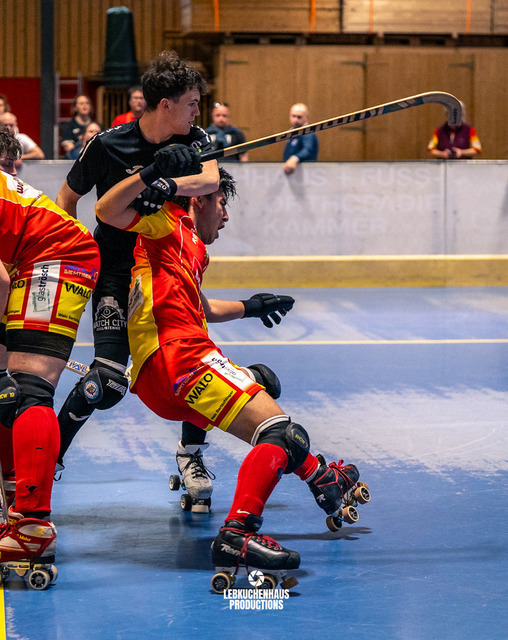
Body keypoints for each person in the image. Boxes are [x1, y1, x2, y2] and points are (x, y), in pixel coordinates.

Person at [94, 151, 365, 580]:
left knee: (264, 391)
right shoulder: (166, 222)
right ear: (200, 198)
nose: (225, 216)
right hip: (180, 357)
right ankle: (237, 533)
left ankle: (320, 477)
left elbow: (201, 307)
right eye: (221, 203)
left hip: (161, 374)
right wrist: (156, 175)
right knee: (281, 433)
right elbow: (106, 209)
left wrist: (252, 306)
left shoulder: (189, 248)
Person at [54, 50, 221, 496]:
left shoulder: (196, 137)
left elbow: (209, 179)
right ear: (165, 105)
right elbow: (67, 201)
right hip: (115, 269)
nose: (197, 112)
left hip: (166, 271)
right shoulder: (108, 144)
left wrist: (169, 183)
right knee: (108, 381)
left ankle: (191, 455)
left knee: (194, 366)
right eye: (191, 103)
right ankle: (49, 454)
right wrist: (76, 256)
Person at [0, 128, 100, 582]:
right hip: (43, 256)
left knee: (28, 389)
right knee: (12, 387)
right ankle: (16, 493)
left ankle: (32, 526)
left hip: (56, 257)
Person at [282, 103, 318, 175]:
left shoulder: (308, 133)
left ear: (306, 117)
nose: (296, 120)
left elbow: (307, 150)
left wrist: (295, 158)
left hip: (306, 173)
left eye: (299, 117)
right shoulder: (291, 132)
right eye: (293, 116)